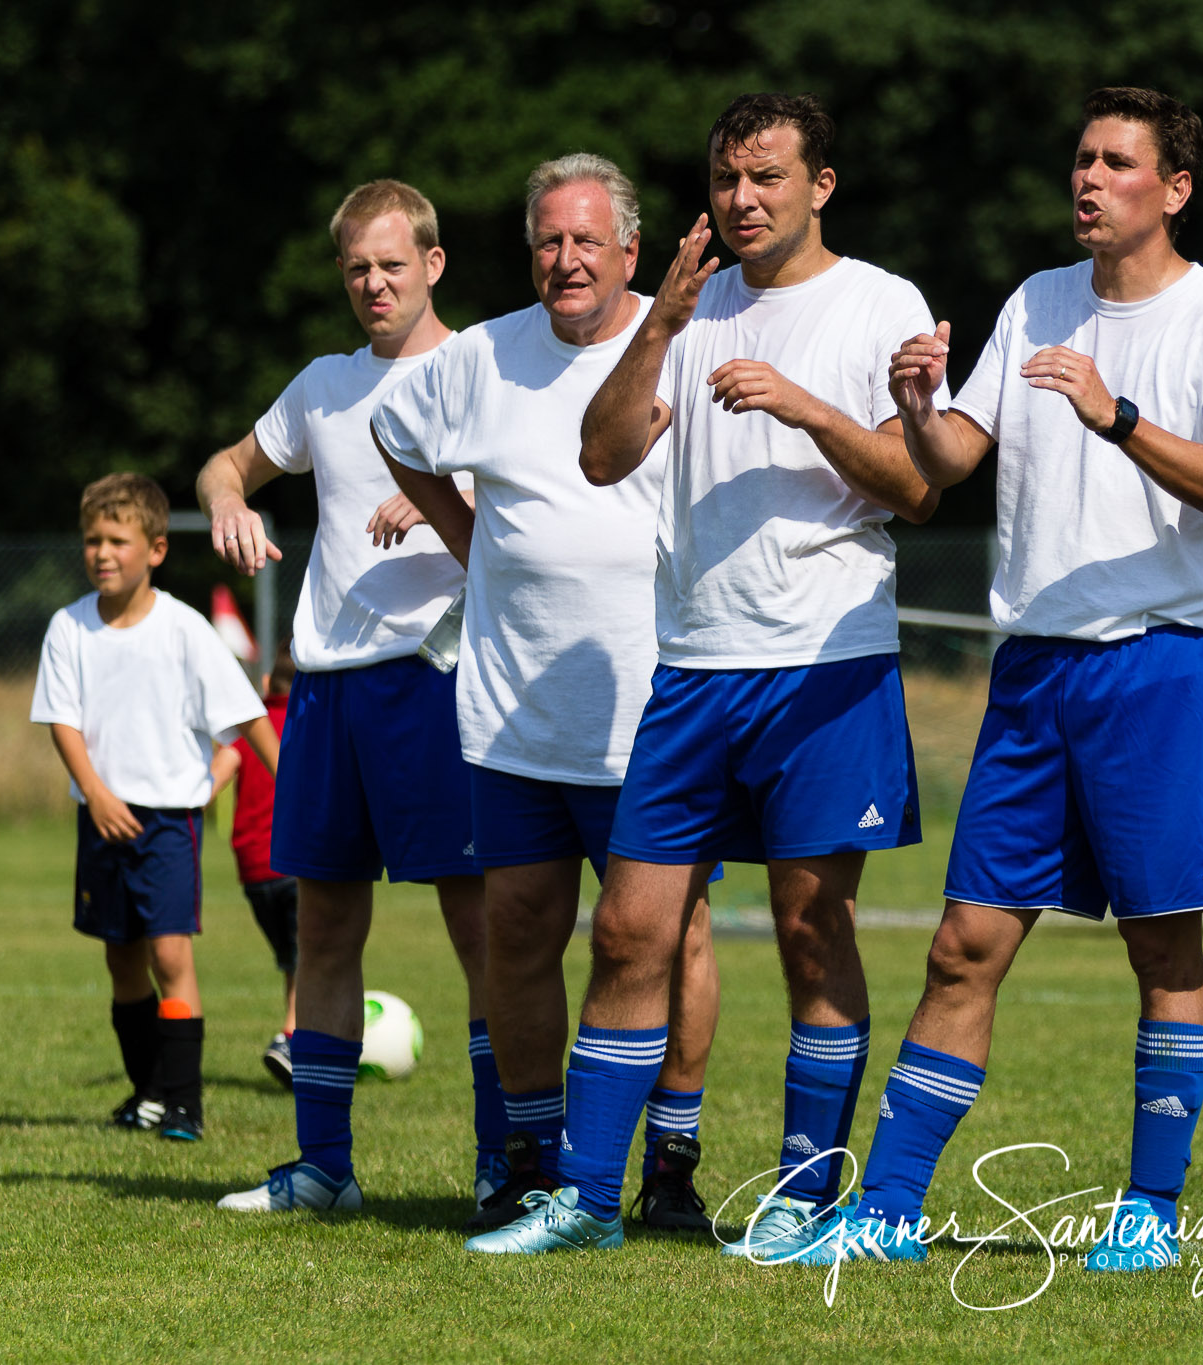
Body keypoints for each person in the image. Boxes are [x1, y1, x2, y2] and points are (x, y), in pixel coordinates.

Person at [812, 86, 1203, 1272]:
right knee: (962, 943)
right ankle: (887, 1212)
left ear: (1171, 189)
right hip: (1030, 674)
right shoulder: (1032, 300)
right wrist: (918, 406)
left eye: (1114, 162)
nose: (1086, 179)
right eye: (1079, 157)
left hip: (1158, 668)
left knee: (1161, 949)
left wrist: (1116, 414)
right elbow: (949, 466)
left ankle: (1149, 1211)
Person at [468, 92, 940, 1256]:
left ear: (818, 185)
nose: (741, 199)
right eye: (727, 179)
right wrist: (663, 322)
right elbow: (600, 453)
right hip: (689, 666)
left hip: (823, 661)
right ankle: (580, 1200)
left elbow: (915, 486)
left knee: (810, 931)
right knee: (629, 930)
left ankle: (802, 1193)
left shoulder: (879, 303)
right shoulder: (689, 306)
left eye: (767, 178)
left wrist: (805, 405)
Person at [372, 153, 722, 1238]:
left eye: (585, 241)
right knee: (517, 937)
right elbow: (395, 431)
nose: (565, 261)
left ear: (629, 249)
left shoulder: (689, 344)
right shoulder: (479, 356)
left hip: (655, 709)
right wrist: (467, 541)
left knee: (671, 943)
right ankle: (531, 1160)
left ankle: (667, 1162)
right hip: (515, 714)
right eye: (547, 242)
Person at [202, 181, 495, 1214]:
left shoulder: (486, 370)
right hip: (324, 692)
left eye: (392, 264)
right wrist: (231, 500)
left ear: (434, 264)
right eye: (358, 269)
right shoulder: (322, 383)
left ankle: (508, 1168)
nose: (375, 284)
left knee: (484, 932)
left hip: (440, 682)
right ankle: (324, 1170)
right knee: (325, 931)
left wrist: (438, 497)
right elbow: (222, 465)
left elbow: (547, 497)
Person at [31, 473, 280, 1143]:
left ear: (157, 550)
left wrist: (291, 781)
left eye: (118, 539)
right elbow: (63, 722)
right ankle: (144, 1091)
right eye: (92, 539)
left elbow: (245, 715)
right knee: (121, 958)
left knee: (171, 956)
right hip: (101, 817)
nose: (102, 552)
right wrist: (100, 793)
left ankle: (183, 1103)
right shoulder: (68, 627)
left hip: (168, 821)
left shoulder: (185, 629)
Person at [209, 637, 300, 1087]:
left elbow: (209, 784)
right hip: (295, 864)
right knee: (314, 956)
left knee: (292, 957)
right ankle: (292, 1038)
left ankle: (299, 1035)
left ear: (266, 682)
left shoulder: (248, 733)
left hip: (252, 871)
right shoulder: (308, 723)